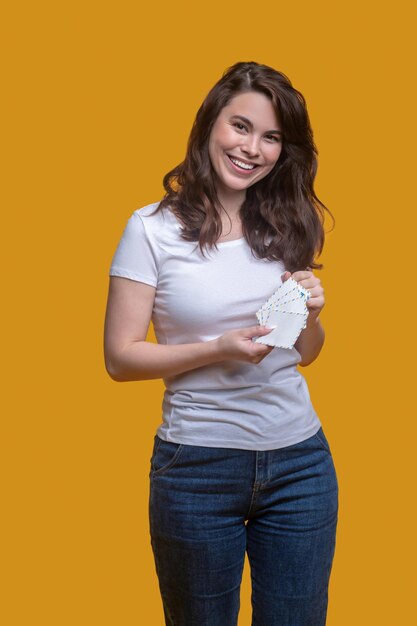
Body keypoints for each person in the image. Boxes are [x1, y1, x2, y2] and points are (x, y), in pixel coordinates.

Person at [104, 61, 339, 626]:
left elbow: (305, 352)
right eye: (240, 126)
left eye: (271, 137)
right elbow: (120, 357)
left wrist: (310, 311)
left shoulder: (289, 220)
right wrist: (220, 348)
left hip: (300, 464)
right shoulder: (151, 229)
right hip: (196, 470)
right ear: (210, 124)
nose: (252, 147)